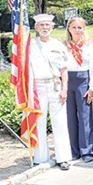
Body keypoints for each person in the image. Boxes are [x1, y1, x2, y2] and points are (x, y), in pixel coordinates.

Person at [29, 14, 72, 170]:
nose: (45, 28)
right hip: (38, 87)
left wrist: (64, 89)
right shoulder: (30, 46)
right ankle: (41, 158)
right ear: (36, 28)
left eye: (47, 25)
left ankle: (63, 158)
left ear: (52, 27)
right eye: (41, 25)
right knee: (39, 122)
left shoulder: (58, 45)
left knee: (59, 122)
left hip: (55, 85)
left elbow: (64, 69)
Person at [65, 16, 93, 163]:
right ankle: (74, 151)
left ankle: (87, 151)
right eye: (74, 27)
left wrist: (91, 87)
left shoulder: (88, 45)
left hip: (83, 81)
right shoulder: (64, 46)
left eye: (80, 27)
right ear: (69, 29)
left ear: (84, 29)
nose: (77, 30)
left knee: (85, 117)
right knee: (70, 117)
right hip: (67, 81)